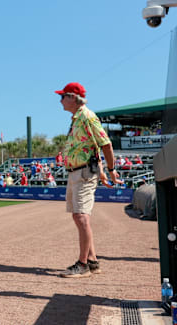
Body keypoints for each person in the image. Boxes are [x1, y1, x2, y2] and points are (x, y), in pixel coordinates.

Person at [55, 82, 121, 278]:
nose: (60, 100)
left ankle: (82, 265)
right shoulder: (77, 118)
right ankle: (92, 261)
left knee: (82, 217)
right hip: (77, 172)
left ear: (73, 97)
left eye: (63, 96)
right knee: (78, 216)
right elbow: (93, 147)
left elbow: (105, 144)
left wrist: (111, 170)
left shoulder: (87, 116)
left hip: (83, 173)